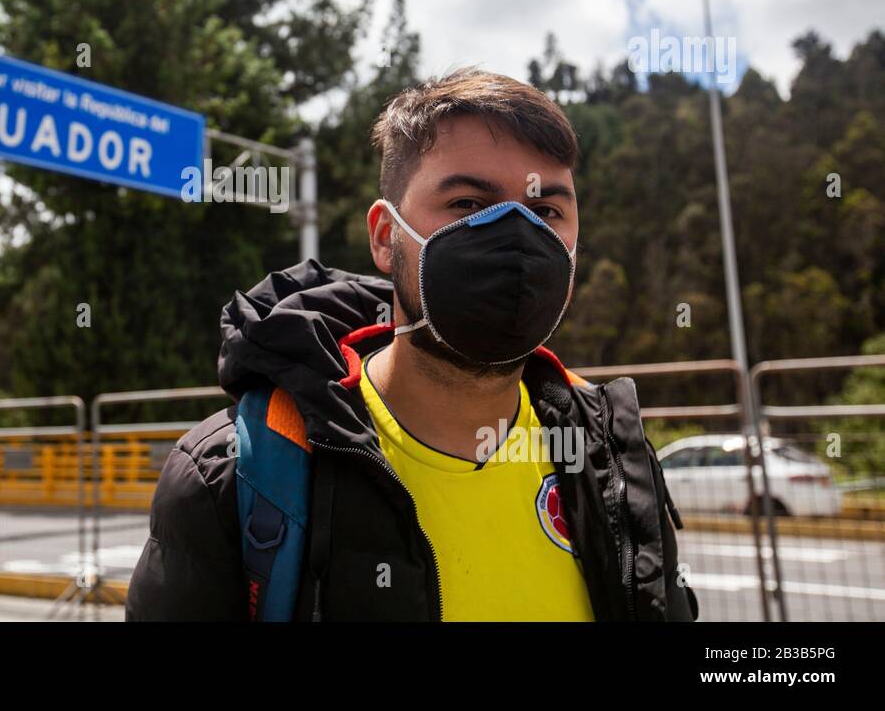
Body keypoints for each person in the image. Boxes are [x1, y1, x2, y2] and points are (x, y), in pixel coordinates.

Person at [126, 67, 698, 621]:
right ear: (384, 236)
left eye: (546, 211)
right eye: (469, 205)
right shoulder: (237, 472)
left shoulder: (611, 458)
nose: (519, 238)